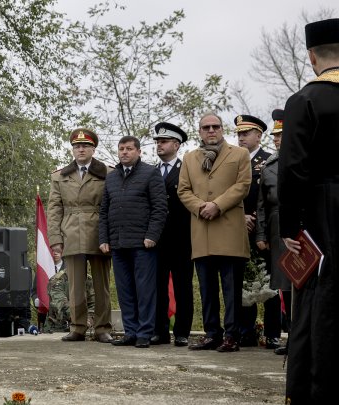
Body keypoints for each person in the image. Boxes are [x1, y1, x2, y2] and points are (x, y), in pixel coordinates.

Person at [277, 18, 339, 403]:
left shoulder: (305, 100)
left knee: (320, 298)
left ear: (313, 56)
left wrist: (290, 224)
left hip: (323, 209)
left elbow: (292, 170)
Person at [177, 112, 251, 353]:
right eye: (206, 127)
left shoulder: (239, 154)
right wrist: (201, 207)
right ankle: (212, 334)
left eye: (215, 127)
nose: (211, 131)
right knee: (207, 289)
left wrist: (217, 205)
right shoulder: (189, 158)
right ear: (199, 131)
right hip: (203, 231)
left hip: (229, 229)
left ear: (222, 129)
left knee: (231, 289)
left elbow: (243, 186)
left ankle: (232, 335)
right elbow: (183, 190)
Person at [99, 135, 167, 348]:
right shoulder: (111, 177)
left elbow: (160, 208)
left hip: (142, 245)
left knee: (145, 291)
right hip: (118, 244)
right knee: (125, 290)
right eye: (121, 149)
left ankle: (145, 333)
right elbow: (104, 211)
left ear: (138, 152)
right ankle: (130, 332)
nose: (124, 152)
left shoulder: (151, 173)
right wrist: (104, 239)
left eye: (129, 149)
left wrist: (152, 236)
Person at [48, 128, 113, 344]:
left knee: (101, 285)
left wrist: (110, 235)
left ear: (93, 148)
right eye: (77, 146)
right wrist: (55, 238)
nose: (81, 149)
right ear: (73, 149)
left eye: (85, 146)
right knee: (75, 285)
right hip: (71, 232)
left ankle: (103, 327)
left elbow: (112, 206)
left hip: (99, 232)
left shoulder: (107, 172)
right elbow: (54, 208)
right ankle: (78, 327)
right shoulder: (60, 175)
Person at [152, 122, 194, 347]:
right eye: (158, 141)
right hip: (158, 240)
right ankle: (160, 331)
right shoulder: (151, 171)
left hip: (182, 238)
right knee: (158, 287)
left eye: (164, 141)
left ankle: (182, 331)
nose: (159, 145)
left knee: (183, 287)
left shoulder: (187, 170)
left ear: (176, 145)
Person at [234, 114, 272, 347]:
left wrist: (256, 220)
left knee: (269, 283)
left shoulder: (269, 161)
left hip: (263, 231)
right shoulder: (232, 161)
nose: (241, 137)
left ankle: (273, 332)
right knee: (243, 282)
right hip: (237, 228)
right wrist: (240, 217)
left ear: (259, 135)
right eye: (239, 133)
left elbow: (269, 196)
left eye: (246, 133)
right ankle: (246, 332)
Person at [255, 109, 291, 354]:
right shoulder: (270, 165)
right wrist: (261, 234)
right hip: (278, 230)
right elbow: (262, 205)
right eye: (275, 135)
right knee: (285, 285)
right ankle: (293, 338)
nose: (277, 139)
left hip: (306, 230)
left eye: (282, 134)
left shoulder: (310, 159)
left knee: (306, 285)